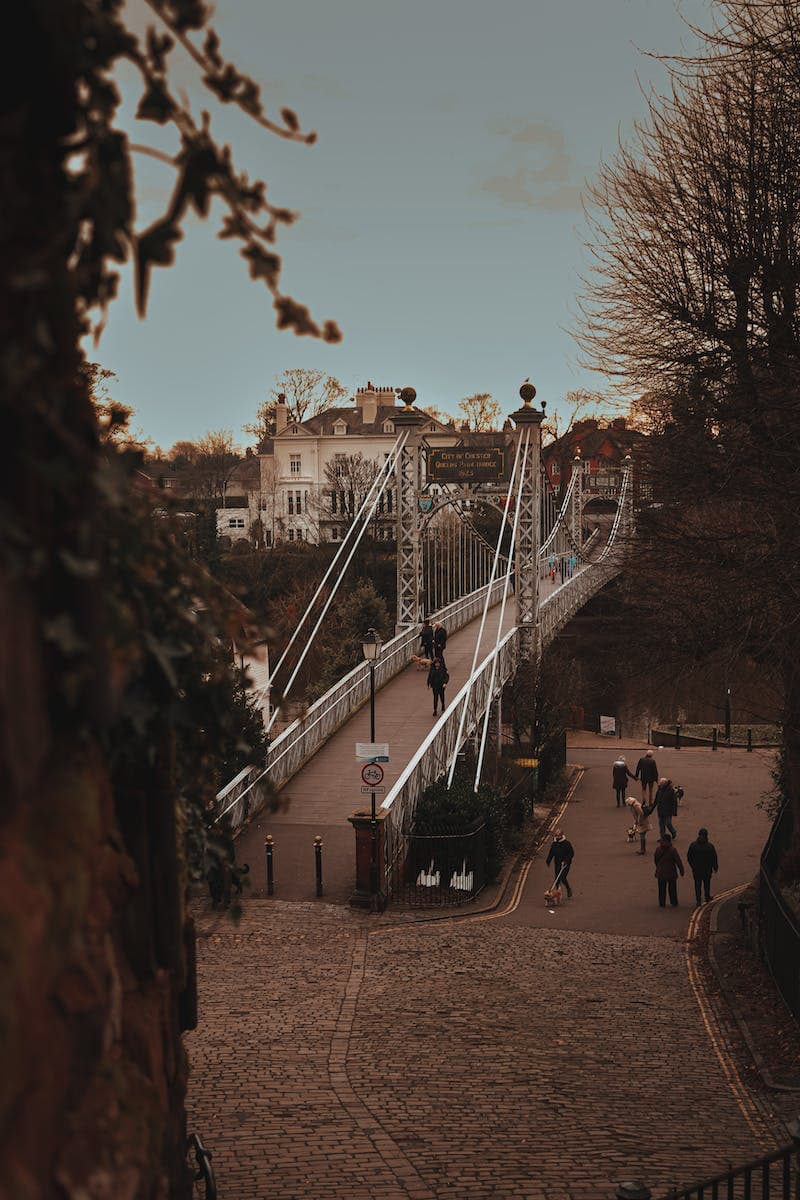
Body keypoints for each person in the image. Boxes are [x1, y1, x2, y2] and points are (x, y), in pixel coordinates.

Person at [687, 827, 719, 906]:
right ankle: (707, 896)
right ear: (707, 836)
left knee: (697, 884)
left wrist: (692, 865)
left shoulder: (693, 845)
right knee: (706, 883)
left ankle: (698, 899)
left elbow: (689, 857)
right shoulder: (710, 846)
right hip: (707, 869)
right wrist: (715, 867)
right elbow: (714, 858)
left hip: (696, 869)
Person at [654, 834, 684, 907]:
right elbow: (678, 861)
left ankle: (662, 903)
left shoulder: (658, 849)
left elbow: (656, 860)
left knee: (661, 889)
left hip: (661, 872)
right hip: (671, 872)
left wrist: (658, 867)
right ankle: (673, 902)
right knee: (672, 888)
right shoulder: (672, 850)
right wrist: (681, 870)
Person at [546, 829, 574, 898]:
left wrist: (566, 861)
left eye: (559, 836)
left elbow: (571, 853)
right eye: (556, 836)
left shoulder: (567, 843)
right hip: (557, 863)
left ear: (562, 835)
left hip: (565, 864)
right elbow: (551, 853)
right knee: (557, 879)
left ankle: (568, 889)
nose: (558, 837)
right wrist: (548, 860)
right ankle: (558, 893)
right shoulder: (554, 844)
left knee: (562, 877)